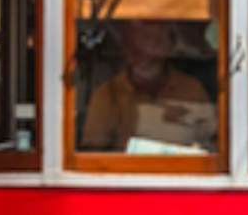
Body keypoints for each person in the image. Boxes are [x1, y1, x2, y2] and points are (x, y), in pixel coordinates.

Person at [77, 18, 220, 157]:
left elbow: (213, 142)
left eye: (162, 36)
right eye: (147, 36)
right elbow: (94, 154)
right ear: (128, 46)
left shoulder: (191, 88)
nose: (139, 58)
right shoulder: (108, 94)